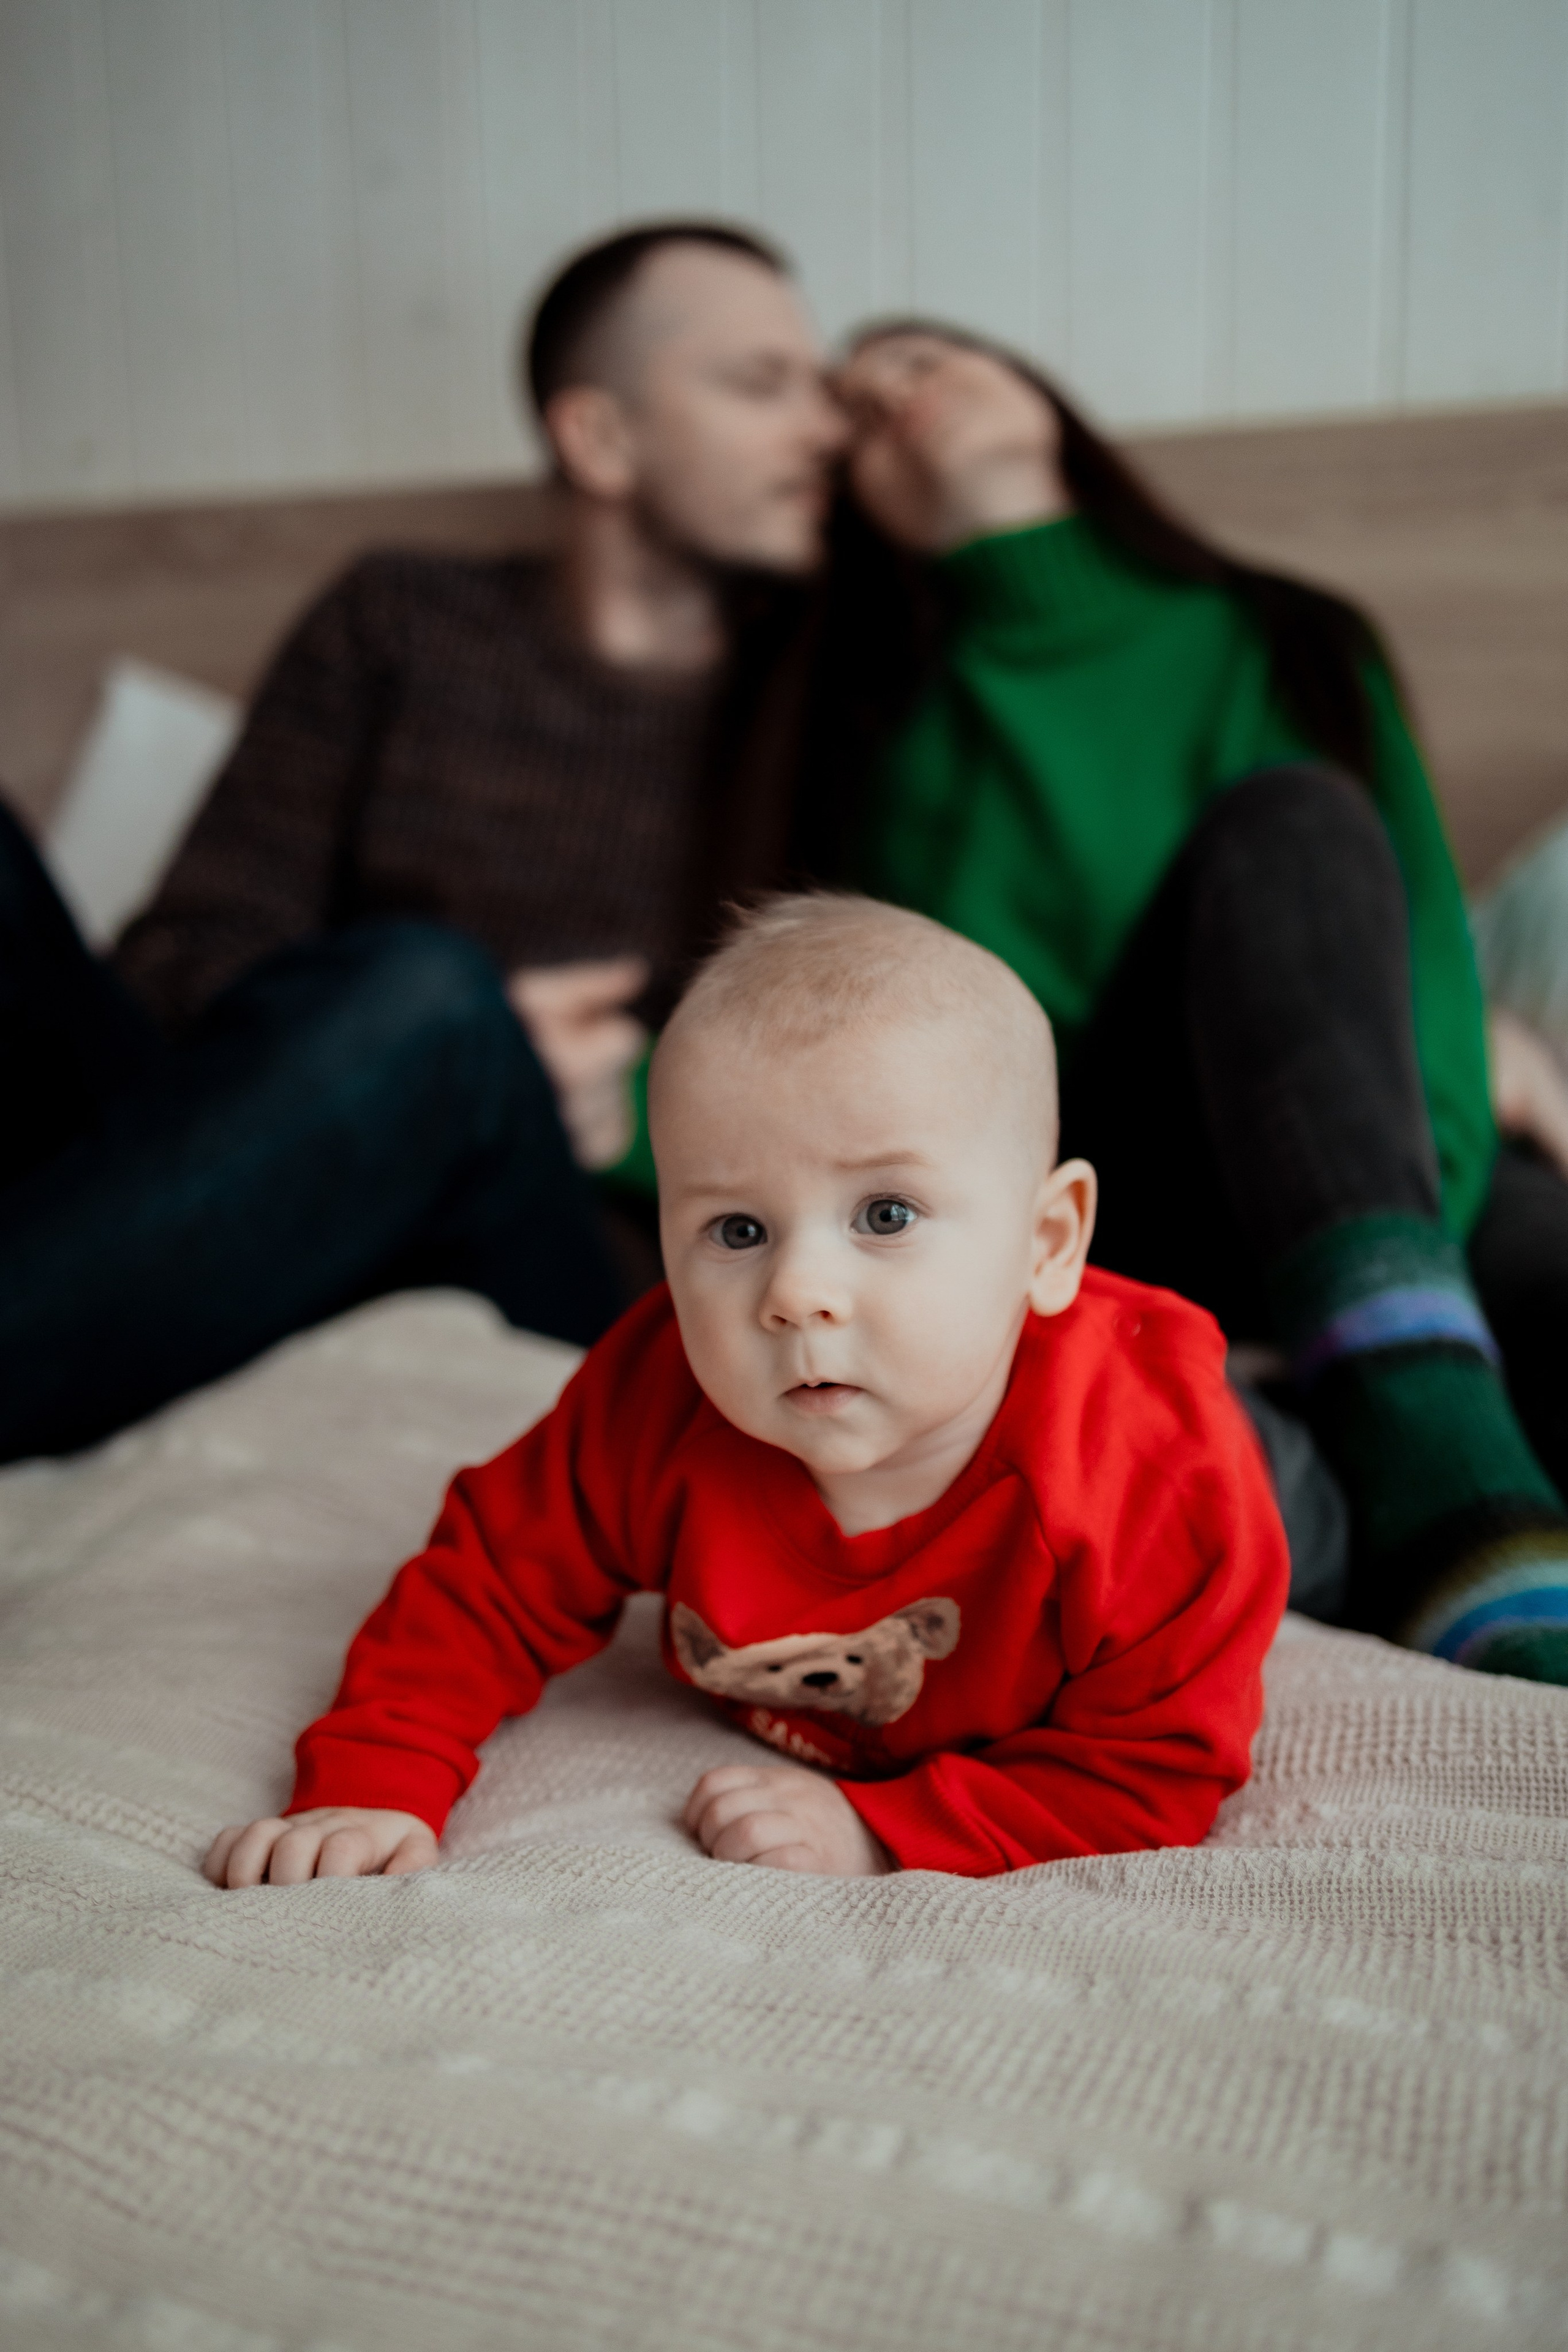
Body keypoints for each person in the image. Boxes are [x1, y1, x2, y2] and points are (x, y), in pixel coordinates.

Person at [202, 895, 1289, 1887]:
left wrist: (878, 1828)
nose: (797, 1293)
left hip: (1267, 1470)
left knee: (1300, 1489)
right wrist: (373, 1778)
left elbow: (1153, 1773)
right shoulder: (656, 1394)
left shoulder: (1160, 1486)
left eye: (886, 1215)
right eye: (737, 1230)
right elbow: (490, 1579)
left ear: (1046, 1243)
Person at [786, 324, 1568, 1685]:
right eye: (848, 413)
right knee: (1283, 823)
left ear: (1042, 390)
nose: (890, 397)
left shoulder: (1292, 634)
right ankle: (1432, 1478)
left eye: (919, 357)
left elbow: (1421, 966)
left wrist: (1403, 1249)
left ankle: (1374, 1389)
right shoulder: (881, 738)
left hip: (1385, 1171)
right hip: (1118, 1199)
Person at [0, 222, 846, 1463]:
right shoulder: (401, 619)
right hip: (253, 1168)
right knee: (418, 998)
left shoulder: (831, 693)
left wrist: (627, 1101)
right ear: (597, 438)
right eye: (761, 385)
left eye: (820, 389)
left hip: (557, 1250)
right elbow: (183, 958)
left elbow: (892, 1070)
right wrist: (413, 1053)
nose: (821, 429)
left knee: (428, 991)